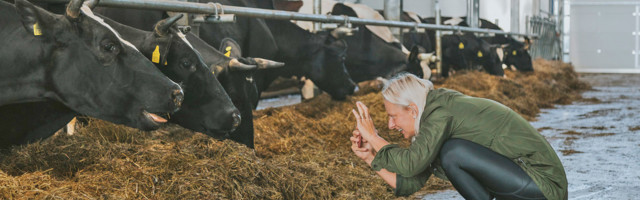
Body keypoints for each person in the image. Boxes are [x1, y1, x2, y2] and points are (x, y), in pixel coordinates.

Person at [350, 73, 567, 199]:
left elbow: (410, 164)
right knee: (450, 151)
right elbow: (408, 183)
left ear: (413, 110)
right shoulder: (431, 119)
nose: (390, 125)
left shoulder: (439, 113)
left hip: (544, 184)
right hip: (527, 183)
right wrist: (370, 157)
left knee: (453, 152)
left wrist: (373, 137)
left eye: (393, 117)